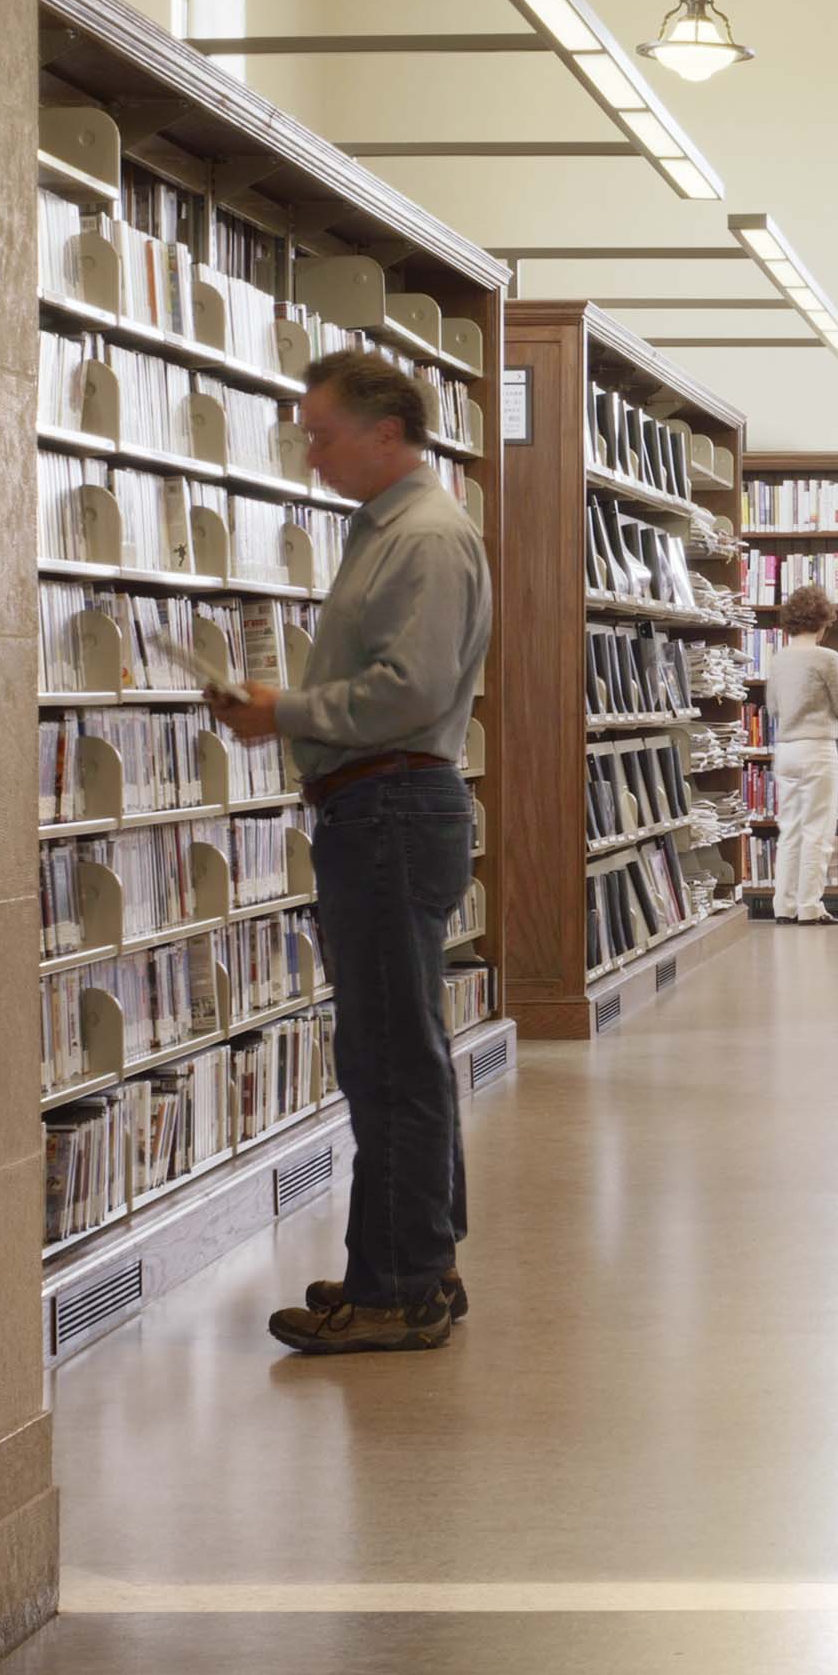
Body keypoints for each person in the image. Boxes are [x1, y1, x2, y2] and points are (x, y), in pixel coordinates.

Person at [205, 349, 492, 1356]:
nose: (310, 452)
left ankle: (403, 1282)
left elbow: (407, 690)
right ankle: (406, 1261)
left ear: (388, 431)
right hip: (378, 807)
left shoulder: (420, 537)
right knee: (389, 1050)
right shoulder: (391, 532)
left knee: (390, 1055)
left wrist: (286, 708)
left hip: (390, 810)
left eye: (321, 433)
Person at [757, 580, 838, 923]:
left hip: (786, 750)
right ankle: (810, 908)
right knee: (818, 831)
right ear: (823, 622)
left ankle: (784, 906)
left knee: (790, 830)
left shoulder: (779, 659)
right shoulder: (827, 658)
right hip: (817, 749)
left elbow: (772, 705)